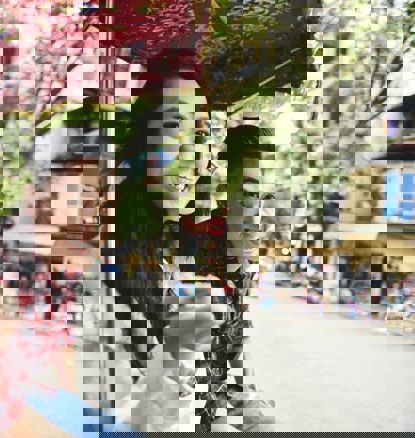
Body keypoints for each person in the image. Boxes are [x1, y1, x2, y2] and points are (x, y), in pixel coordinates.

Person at [77, 49, 275, 433]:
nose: (191, 154)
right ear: (141, 138)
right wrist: (177, 351)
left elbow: (228, 380)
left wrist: (239, 405)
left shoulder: (206, 250)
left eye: (199, 134)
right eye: (173, 127)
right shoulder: (106, 261)